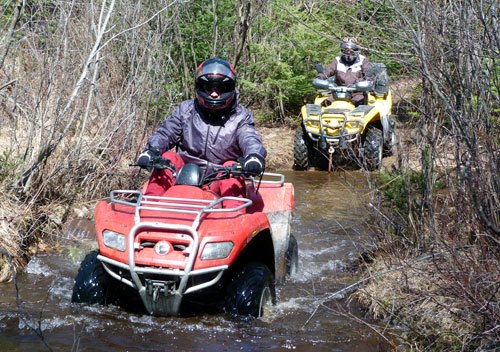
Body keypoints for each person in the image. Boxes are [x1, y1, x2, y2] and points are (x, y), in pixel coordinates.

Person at [135, 57, 267, 203]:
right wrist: (151, 151)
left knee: (231, 167)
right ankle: (149, 207)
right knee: (169, 157)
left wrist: (254, 156)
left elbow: (249, 138)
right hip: (184, 175)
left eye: (221, 89)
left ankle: (234, 216)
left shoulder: (241, 116)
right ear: (199, 88)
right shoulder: (186, 110)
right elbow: (166, 132)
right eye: (208, 88)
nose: (214, 94)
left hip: (220, 177)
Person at [317, 37, 373, 106]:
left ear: (356, 50)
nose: (348, 53)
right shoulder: (337, 60)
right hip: (338, 93)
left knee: (361, 106)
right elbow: (327, 71)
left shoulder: (363, 61)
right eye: (346, 51)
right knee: (324, 105)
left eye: (351, 51)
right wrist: (320, 78)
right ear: (342, 51)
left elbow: (370, 76)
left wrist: (360, 83)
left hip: (356, 93)